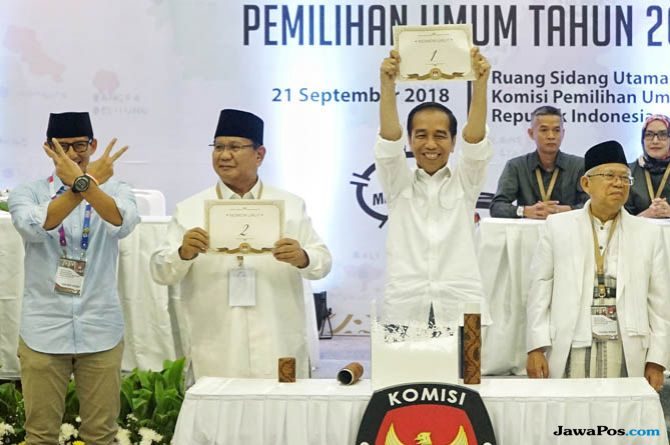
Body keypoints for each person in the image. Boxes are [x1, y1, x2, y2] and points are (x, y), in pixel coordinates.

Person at [150, 109, 331, 380]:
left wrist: (303, 257)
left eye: (234, 147)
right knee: (218, 403)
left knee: (279, 403)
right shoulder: (190, 208)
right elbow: (161, 272)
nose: (224, 155)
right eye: (218, 147)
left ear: (259, 154)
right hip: (216, 340)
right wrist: (183, 253)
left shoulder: (290, 205)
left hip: (277, 337)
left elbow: (323, 262)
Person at [8, 112, 138, 444]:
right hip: (43, 329)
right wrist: (85, 183)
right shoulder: (28, 192)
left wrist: (85, 184)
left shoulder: (117, 189)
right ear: (47, 149)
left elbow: (122, 222)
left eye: (79, 145)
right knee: (40, 436)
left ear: (93, 145)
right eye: (61, 147)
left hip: (100, 329)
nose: (72, 154)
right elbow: (36, 226)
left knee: (101, 435)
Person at [526, 140, 670, 391]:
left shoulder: (648, 233)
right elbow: (539, 289)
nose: (618, 183)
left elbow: (660, 302)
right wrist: (536, 347)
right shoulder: (558, 227)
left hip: (626, 347)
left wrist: (657, 360)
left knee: (621, 413)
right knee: (570, 412)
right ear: (586, 183)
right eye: (609, 176)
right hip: (571, 344)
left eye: (624, 178)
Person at [376, 47, 491, 326]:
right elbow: (389, 141)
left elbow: (475, 141)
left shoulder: (465, 182)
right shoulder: (397, 183)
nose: (430, 144)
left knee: (468, 359)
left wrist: (480, 83)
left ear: (453, 142)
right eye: (421, 135)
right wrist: (387, 84)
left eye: (440, 135)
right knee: (402, 359)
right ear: (409, 140)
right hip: (406, 303)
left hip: (460, 302)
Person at [490, 106, 587, 219]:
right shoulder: (516, 166)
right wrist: (525, 211)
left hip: (568, 229)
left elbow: (593, 205)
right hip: (528, 229)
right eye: (544, 130)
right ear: (531, 133)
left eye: (556, 130)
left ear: (563, 133)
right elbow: (497, 207)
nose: (551, 136)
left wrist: (566, 211)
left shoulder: (579, 166)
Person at [625, 114, 670, 218]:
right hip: (637, 228)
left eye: (662, 135)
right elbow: (619, 219)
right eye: (649, 135)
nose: (655, 141)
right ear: (642, 139)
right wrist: (645, 215)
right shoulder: (628, 172)